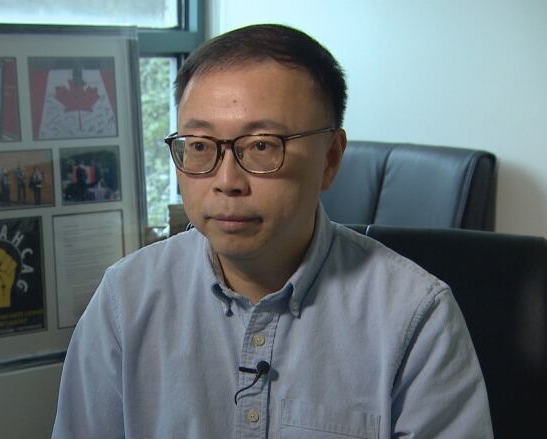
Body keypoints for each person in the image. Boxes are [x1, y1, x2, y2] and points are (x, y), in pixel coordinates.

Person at [52, 24, 493, 438]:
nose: (227, 181)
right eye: (201, 146)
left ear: (331, 158)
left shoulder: (416, 316)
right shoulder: (125, 300)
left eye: (262, 146)